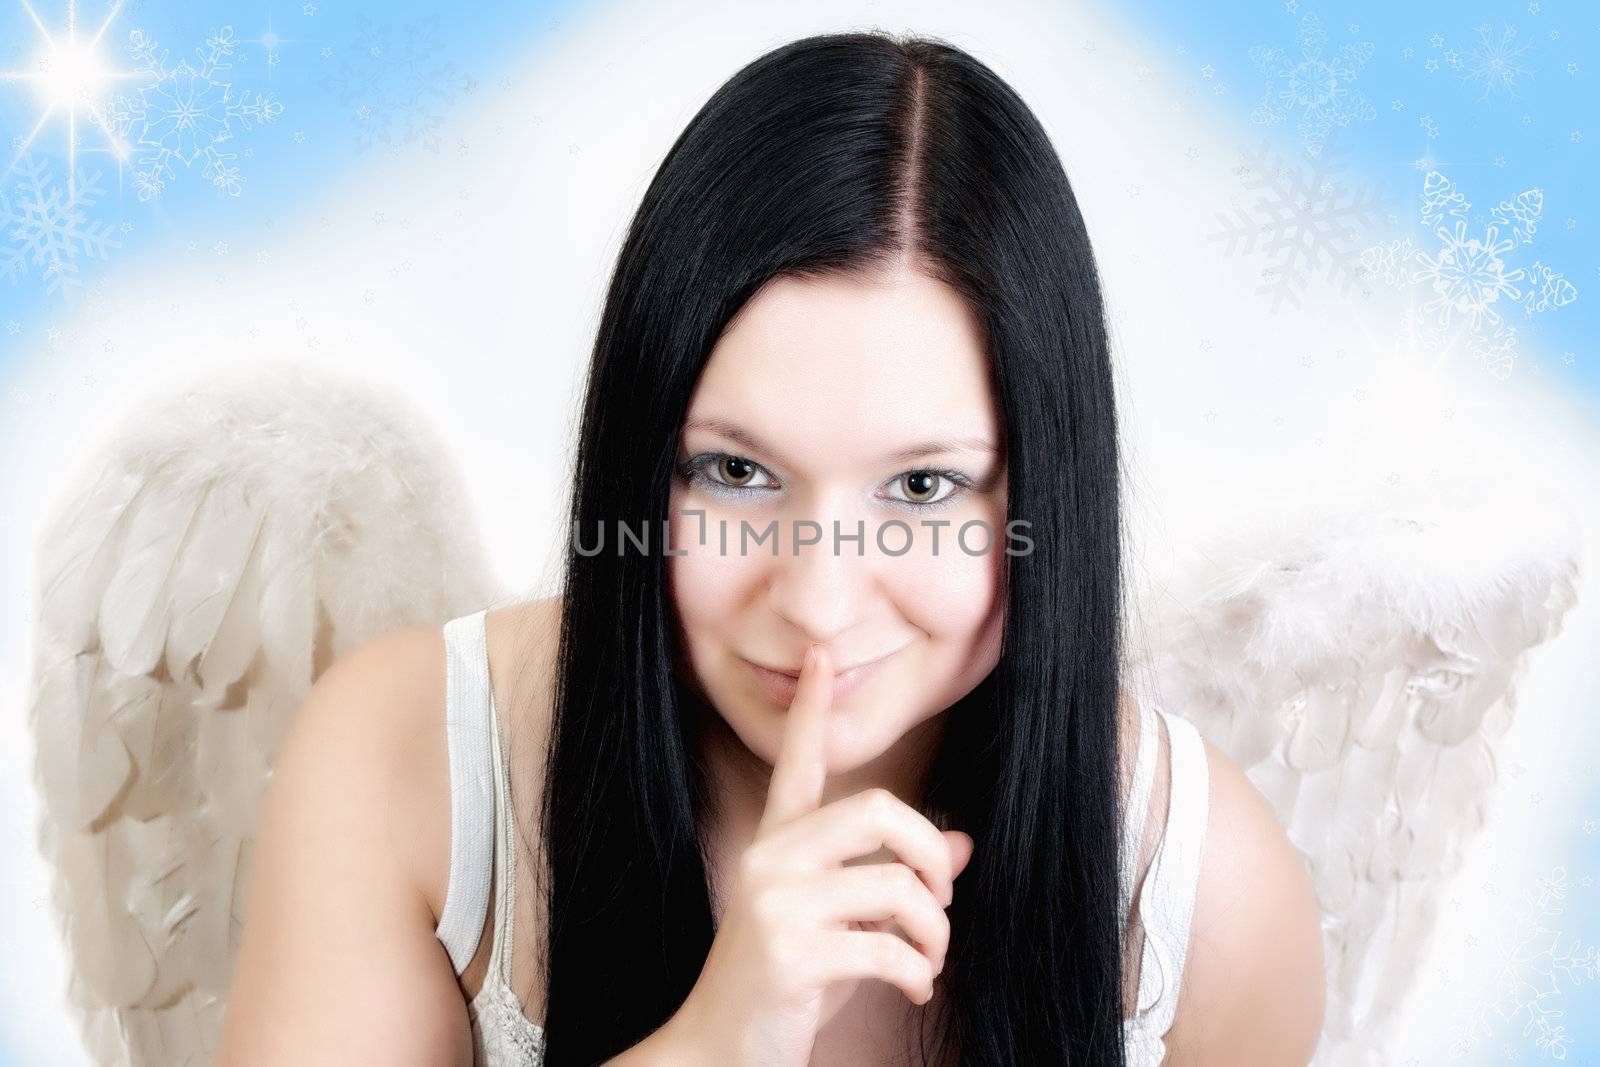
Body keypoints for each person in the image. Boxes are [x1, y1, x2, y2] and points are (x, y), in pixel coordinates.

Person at [218, 29, 1325, 1066]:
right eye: (735, 472)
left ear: (1045, 492)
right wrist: (712, 1041)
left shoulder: (1201, 899)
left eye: (924, 486)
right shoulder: (410, 758)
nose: (820, 600)